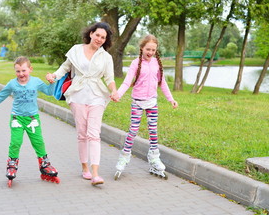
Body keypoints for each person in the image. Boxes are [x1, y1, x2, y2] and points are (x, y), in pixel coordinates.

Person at [46, 22, 118, 186]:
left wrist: (113, 91)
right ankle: (84, 168)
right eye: (97, 35)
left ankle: (95, 173)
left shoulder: (106, 57)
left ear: (105, 40)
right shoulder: (76, 49)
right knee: (82, 134)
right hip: (77, 94)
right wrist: (54, 76)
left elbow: (109, 78)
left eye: (103, 37)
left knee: (94, 134)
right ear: (91, 33)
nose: (99, 39)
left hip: (97, 96)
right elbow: (65, 68)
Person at [0, 56, 59, 186]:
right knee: (16, 142)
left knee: (38, 142)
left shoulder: (36, 82)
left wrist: (52, 82)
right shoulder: (12, 84)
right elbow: (0, 96)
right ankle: (12, 164)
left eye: (23, 70)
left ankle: (45, 164)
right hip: (17, 118)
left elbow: (49, 92)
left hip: (33, 118)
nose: (21, 74)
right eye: (18, 71)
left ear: (30, 69)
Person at [114, 34, 178, 180]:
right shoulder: (135, 63)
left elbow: (163, 83)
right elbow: (126, 82)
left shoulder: (157, 63)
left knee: (153, 131)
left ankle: (154, 158)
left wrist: (171, 99)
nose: (150, 52)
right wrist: (118, 94)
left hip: (152, 102)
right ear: (142, 48)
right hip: (137, 101)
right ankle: (124, 157)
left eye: (153, 50)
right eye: (148, 49)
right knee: (133, 130)